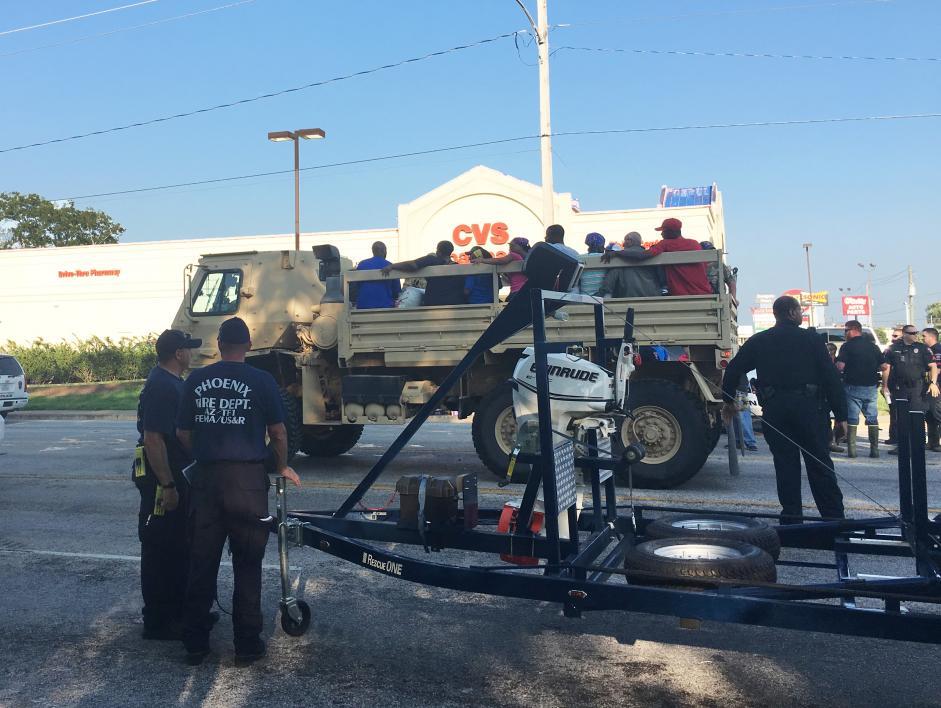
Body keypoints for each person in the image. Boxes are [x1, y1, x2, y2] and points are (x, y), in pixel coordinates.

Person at [176, 317, 301, 666]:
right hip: (247, 483)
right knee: (248, 564)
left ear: (219, 344)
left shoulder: (196, 380)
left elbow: (183, 433)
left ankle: (195, 643)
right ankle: (247, 644)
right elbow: (278, 432)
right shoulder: (262, 381)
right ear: (247, 345)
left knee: (201, 562)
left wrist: (205, 456)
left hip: (206, 482)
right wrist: (281, 466)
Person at [721, 295, 846, 523]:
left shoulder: (760, 340)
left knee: (786, 467)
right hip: (809, 409)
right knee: (819, 465)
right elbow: (831, 377)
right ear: (791, 313)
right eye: (799, 310)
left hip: (776, 410)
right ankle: (834, 521)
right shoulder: (811, 339)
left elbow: (734, 369)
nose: (801, 314)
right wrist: (841, 415)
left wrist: (728, 399)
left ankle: (791, 521)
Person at [135, 329, 202, 640]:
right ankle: (160, 620)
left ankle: (178, 611)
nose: (192, 353)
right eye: (188, 348)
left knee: (177, 547)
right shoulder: (163, 386)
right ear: (178, 354)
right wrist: (169, 486)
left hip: (173, 476)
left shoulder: (170, 382)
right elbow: (153, 439)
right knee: (162, 548)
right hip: (163, 481)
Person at [602, 217, 712, 296]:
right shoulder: (694, 243)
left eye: (663, 231)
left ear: (670, 232)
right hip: (704, 292)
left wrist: (617, 253)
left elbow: (642, 255)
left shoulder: (665, 244)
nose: (661, 234)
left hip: (681, 294)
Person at [882, 324, 939, 455]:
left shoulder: (923, 348)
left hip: (917, 387)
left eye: (915, 332)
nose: (915, 335)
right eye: (911, 333)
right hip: (899, 387)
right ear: (904, 334)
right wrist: (884, 386)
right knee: (901, 417)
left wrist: (933, 383)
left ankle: (918, 444)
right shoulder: (893, 348)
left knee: (917, 415)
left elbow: (933, 366)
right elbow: (886, 368)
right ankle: (902, 445)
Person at [836, 319, 884, 458]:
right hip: (871, 386)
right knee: (872, 417)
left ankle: (852, 451)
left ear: (853, 330)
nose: (844, 333)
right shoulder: (873, 347)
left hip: (852, 386)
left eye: (845, 330)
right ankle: (874, 451)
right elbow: (884, 366)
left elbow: (840, 366)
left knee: (852, 418)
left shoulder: (847, 346)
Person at [382, 240, 465, 306]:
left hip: (433, 305)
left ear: (438, 252)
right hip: (454, 305)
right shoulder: (458, 267)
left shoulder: (433, 260)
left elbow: (412, 265)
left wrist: (392, 266)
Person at [599, 232, 665, 298]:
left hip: (627, 299)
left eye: (625, 240)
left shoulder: (618, 258)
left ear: (630, 241)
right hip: (653, 298)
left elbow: (609, 284)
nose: (623, 244)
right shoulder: (651, 255)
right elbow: (662, 280)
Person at [352, 241, 400, 309]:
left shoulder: (361, 264)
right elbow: (397, 292)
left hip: (363, 307)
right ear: (384, 251)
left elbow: (355, 287)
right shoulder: (390, 266)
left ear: (373, 251)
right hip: (386, 307)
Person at [922, 327, 941, 452]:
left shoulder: (937, 349)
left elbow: (938, 368)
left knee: (936, 413)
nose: (922, 339)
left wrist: (933, 383)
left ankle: (936, 443)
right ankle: (932, 442)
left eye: (924, 336)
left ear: (931, 337)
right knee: (929, 414)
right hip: (929, 386)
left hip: (937, 385)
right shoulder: (928, 350)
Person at [825, 342, 845, 453]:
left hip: (838, 390)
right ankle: (829, 441)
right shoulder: (823, 361)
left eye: (832, 350)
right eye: (828, 349)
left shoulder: (838, 362)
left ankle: (835, 441)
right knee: (827, 418)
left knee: (838, 419)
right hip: (826, 392)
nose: (830, 351)